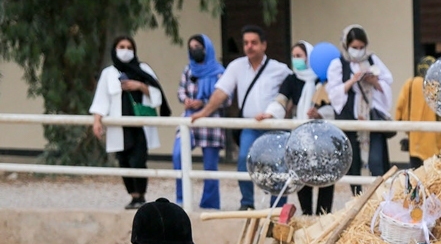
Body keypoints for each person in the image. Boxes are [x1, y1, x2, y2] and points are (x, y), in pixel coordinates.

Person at [192, 25, 291, 210]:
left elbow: (291, 92)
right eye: (246, 43)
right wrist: (204, 112)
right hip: (250, 125)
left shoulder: (280, 69)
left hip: (275, 127)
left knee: (279, 166)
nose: (249, 46)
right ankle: (247, 204)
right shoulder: (236, 66)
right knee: (244, 160)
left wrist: (284, 112)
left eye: (254, 42)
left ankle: (277, 208)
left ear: (264, 45)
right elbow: (222, 92)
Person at [89, 36, 166, 209]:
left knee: (138, 161)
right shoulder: (109, 73)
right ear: (115, 49)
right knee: (123, 161)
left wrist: (139, 86)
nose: (125, 50)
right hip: (119, 127)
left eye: (129, 47)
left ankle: (141, 196)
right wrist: (97, 121)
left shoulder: (143, 69)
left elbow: (157, 94)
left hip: (140, 125)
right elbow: (101, 99)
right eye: (121, 46)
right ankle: (133, 196)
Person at [267, 41, 336, 215]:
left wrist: (320, 114)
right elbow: (281, 99)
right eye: (294, 56)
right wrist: (269, 114)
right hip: (301, 135)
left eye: (300, 56)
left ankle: (323, 216)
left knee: (325, 176)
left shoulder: (325, 80)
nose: (296, 59)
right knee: (302, 174)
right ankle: (306, 215)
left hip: (323, 138)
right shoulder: (292, 79)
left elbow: (334, 105)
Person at [327, 25, 393, 194]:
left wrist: (374, 82)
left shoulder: (372, 60)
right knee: (353, 163)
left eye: (361, 47)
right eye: (354, 47)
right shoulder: (338, 63)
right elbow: (333, 92)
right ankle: (357, 198)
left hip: (372, 117)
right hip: (351, 118)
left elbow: (387, 82)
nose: (358, 51)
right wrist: (353, 80)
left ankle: (379, 196)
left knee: (376, 161)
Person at [174, 34, 227, 210]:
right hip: (189, 119)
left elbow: (226, 99)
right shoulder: (188, 70)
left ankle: (210, 203)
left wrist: (204, 103)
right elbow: (181, 91)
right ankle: (182, 198)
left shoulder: (219, 71)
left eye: (198, 46)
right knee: (178, 155)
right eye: (191, 47)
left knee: (210, 166)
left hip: (210, 122)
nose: (194, 50)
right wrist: (186, 100)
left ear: (207, 48)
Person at [393, 56, 441, 169]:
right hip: (435, 140)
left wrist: (399, 123)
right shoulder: (438, 86)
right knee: (434, 177)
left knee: (416, 175)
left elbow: (399, 108)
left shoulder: (410, 84)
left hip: (414, 138)